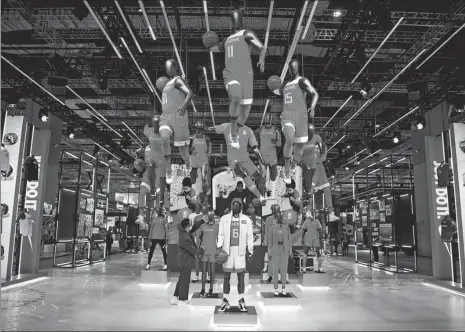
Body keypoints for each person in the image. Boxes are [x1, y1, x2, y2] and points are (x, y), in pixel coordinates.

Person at [208, 10, 266, 149]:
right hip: (230, 74)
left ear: (241, 20)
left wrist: (261, 60)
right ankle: (233, 135)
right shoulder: (226, 40)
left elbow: (262, 47)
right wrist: (208, 45)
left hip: (246, 75)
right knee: (236, 97)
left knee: (244, 115)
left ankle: (234, 132)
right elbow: (215, 48)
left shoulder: (247, 33)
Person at [270, 59, 319, 183]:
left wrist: (312, 106)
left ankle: (292, 168)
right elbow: (276, 91)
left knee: (299, 148)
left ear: (298, 68)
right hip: (287, 115)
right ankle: (287, 169)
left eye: (294, 67)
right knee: (290, 139)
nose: (292, 69)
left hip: (301, 117)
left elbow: (315, 94)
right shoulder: (286, 85)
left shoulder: (302, 81)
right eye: (291, 67)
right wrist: (271, 84)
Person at [209, 123, 267, 205]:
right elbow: (211, 129)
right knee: (244, 174)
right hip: (233, 160)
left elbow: (254, 148)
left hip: (245, 159)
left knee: (259, 177)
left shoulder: (248, 130)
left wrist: (262, 161)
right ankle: (260, 197)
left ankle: (262, 196)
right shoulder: (227, 126)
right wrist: (203, 128)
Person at [158, 59, 194, 184]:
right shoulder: (166, 84)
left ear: (175, 68)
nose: (168, 69)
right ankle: (168, 170)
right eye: (166, 67)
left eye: (170, 67)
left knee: (182, 150)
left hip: (178, 116)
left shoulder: (178, 80)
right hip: (166, 117)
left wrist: (183, 106)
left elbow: (189, 92)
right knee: (164, 139)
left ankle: (188, 162)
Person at [217, 201, 254, 312]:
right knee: (226, 277)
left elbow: (250, 237)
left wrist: (250, 250)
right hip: (227, 252)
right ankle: (225, 301)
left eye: (238, 206)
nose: (236, 207)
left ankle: (241, 301)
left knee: (241, 278)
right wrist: (219, 247)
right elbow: (221, 234)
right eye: (234, 205)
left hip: (240, 253)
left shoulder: (246, 219)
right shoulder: (224, 219)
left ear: (241, 207)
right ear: (232, 206)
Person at [171, 218, 199, 306]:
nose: (191, 226)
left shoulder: (184, 233)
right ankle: (183, 299)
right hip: (185, 260)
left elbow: (194, 228)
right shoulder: (185, 237)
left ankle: (175, 296)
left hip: (184, 260)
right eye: (190, 224)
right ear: (187, 226)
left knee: (182, 278)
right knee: (185, 280)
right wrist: (201, 251)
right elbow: (192, 250)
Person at [143, 114, 167, 209]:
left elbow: (145, 127)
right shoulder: (151, 131)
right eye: (155, 124)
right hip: (155, 158)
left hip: (160, 160)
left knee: (160, 179)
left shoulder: (160, 133)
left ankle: (160, 197)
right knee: (151, 168)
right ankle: (155, 191)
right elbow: (145, 127)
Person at [313, 142, 339, 221]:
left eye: (317, 148)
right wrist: (324, 147)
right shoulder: (315, 158)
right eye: (316, 148)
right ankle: (331, 213)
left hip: (317, 178)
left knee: (326, 194)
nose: (317, 150)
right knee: (327, 194)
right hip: (319, 178)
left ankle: (331, 213)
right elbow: (323, 157)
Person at [257, 113, 282, 199]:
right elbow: (255, 143)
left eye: (269, 122)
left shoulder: (276, 130)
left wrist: (274, 141)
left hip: (272, 158)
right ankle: (261, 195)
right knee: (262, 178)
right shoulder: (259, 130)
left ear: (271, 121)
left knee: (273, 177)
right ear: (264, 121)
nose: (267, 124)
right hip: (262, 157)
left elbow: (279, 144)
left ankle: (271, 193)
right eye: (266, 122)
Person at [268, 212, 292, 296]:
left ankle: (283, 288)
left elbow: (289, 240)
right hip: (275, 250)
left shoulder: (286, 228)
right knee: (275, 270)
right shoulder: (272, 228)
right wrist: (269, 252)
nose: (280, 219)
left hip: (284, 250)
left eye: (281, 217)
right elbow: (269, 241)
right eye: (278, 217)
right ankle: (275, 288)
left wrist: (290, 251)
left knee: (284, 270)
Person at [197, 209, 218, 297]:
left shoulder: (217, 226)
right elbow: (197, 236)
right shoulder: (203, 226)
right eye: (209, 215)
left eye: (211, 215)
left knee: (212, 271)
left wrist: (220, 248)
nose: (210, 217)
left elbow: (221, 237)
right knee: (204, 270)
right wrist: (199, 247)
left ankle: (211, 289)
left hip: (213, 251)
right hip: (204, 251)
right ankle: (202, 289)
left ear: (213, 216)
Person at [299, 124, 322, 199]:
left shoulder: (316, 137)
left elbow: (320, 144)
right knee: (307, 169)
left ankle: (307, 188)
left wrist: (320, 151)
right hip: (302, 159)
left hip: (312, 159)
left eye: (310, 135)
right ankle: (308, 189)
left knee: (312, 174)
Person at [190, 121, 211, 197]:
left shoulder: (206, 138)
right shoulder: (192, 137)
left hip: (203, 160)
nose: (198, 130)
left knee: (204, 177)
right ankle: (192, 194)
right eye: (197, 128)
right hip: (194, 160)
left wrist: (209, 154)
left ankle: (206, 192)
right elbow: (187, 147)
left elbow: (210, 145)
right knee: (193, 179)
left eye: (200, 128)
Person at [262, 204, 281, 279]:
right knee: (270, 258)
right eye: (274, 209)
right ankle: (270, 275)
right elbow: (266, 230)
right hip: (271, 241)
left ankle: (279, 275)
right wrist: (265, 240)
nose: (276, 211)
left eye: (277, 209)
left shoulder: (282, 219)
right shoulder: (268, 219)